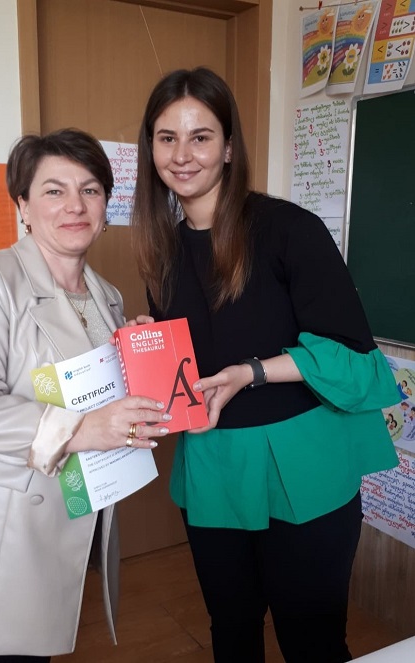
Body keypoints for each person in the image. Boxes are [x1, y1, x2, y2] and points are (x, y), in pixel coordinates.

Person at [131, 67, 400, 663]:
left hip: (303, 460)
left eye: (201, 137)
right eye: (167, 138)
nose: (182, 154)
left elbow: (354, 358)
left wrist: (251, 371)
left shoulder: (289, 229)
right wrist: (149, 350)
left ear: (229, 147)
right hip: (212, 462)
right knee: (231, 630)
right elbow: (193, 363)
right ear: (150, 149)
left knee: (313, 641)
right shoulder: (162, 250)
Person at [0, 128, 171, 661]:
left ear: (104, 206)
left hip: (72, 509)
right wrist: (82, 429)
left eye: (90, 190)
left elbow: (94, 391)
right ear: (24, 207)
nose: (75, 205)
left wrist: (135, 356)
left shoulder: (106, 295)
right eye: (54, 190)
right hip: (0, 526)